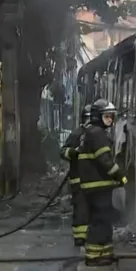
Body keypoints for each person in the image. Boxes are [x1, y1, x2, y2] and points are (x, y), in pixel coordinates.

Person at [77, 99, 128, 266]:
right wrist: (120, 175)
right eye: (107, 117)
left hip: (95, 186)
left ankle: (105, 254)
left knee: (105, 221)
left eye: (111, 117)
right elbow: (104, 161)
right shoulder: (97, 133)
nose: (110, 121)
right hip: (97, 186)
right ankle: (93, 257)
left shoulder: (90, 132)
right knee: (100, 221)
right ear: (97, 117)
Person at [60, 104, 91, 247]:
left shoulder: (98, 136)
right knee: (81, 208)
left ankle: (92, 235)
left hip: (93, 180)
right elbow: (63, 152)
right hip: (78, 179)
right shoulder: (77, 134)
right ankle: (80, 236)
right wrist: (74, 152)